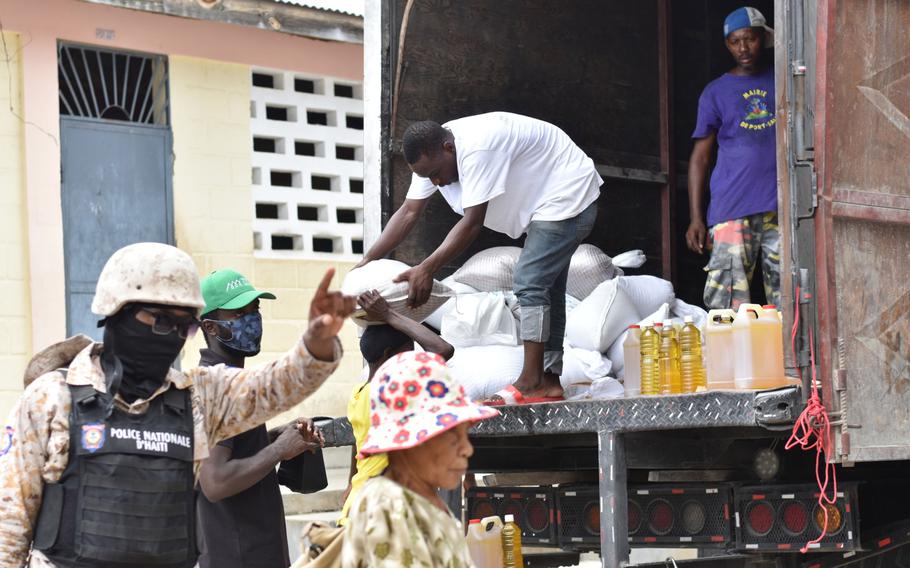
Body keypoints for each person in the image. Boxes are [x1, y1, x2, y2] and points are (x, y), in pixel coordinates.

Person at [0, 242, 354, 567]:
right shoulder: (53, 398)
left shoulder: (198, 396)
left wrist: (316, 340)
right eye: (163, 320)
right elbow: (10, 524)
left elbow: (280, 383)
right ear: (117, 311)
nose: (172, 335)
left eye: (183, 325)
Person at [356, 112, 602, 404]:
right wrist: (368, 259)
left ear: (449, 148)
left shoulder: (477, 149)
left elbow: (472, 223)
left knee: (529, 282)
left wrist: (427, 268)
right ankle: (548, 381)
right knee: (547, 288)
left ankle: (531, 381)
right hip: (544, 207)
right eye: (428, 177)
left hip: (568, 194)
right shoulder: (430, 158)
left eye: (436, 173)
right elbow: (409, 212)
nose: (436, 181)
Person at [195, 269, 325, 568]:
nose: (252, 320)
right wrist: (279, 451)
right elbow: (214, 481)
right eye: (239, 313)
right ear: (211, 327)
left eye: (255, 310)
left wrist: (275, 437)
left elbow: (227, 448)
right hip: (239, 554)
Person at [341, 351, 499, 567]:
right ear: (411, 443)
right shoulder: (389, 507)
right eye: (453, 438)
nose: (467, 449)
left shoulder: (421, 501)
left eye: (466, 435)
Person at [686, 6, 780, 310]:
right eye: (735, 41)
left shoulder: (783, 82)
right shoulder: (716, 92)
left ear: (762, 39)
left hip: (782, 209)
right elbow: (700, 158)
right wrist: (697, 217)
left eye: (750, 39)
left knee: (792, 299)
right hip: (731, 209)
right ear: (727, 44)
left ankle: (790, 359)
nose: (743, 48)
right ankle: (730, 359)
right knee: (727, 303)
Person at [337, 290, 454, 526]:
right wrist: (388, 314)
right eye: (408, 354)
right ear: (389, 356)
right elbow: (442, 350)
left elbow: (359, 443)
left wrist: (350, 482)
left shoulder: (360, 393)